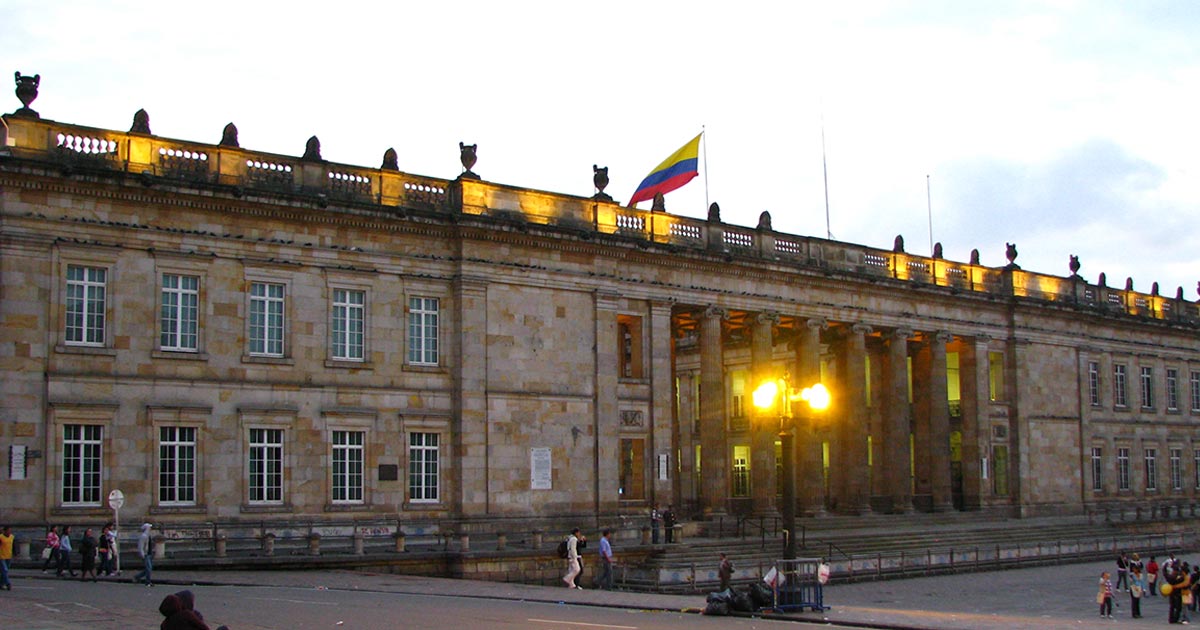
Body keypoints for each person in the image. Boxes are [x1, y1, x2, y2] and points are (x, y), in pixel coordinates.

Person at [0, 525, 13, 591]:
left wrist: (16, 553)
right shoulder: (1, 537)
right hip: (1, 556)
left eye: (10, 531)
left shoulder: (12, 537)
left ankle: (1, 584)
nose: (9, 532)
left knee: (4, 571)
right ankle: (8, 583)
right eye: (8, 531)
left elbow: (13, 545)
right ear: (4, 531)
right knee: (5, 570)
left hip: (8, 556)